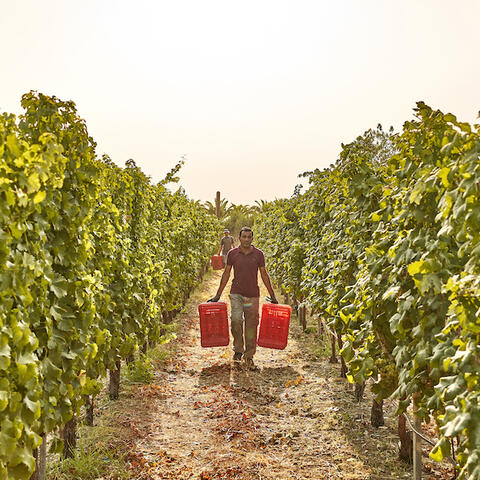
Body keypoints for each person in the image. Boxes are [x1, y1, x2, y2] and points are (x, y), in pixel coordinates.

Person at [208, 226, 278, 369]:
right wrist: (218, 294)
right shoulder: (233, 254)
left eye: (249, 237)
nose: (246, 239)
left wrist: (272, 295)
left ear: (252, 239)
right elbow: (226, 274)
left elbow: (264, 275)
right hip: (236, 294)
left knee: (251, 325)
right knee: (236, 319)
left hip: (252, 295)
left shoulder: (259, 254)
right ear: (239, 238)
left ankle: (249, 356)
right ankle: (238, 350)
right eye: (244, 237)